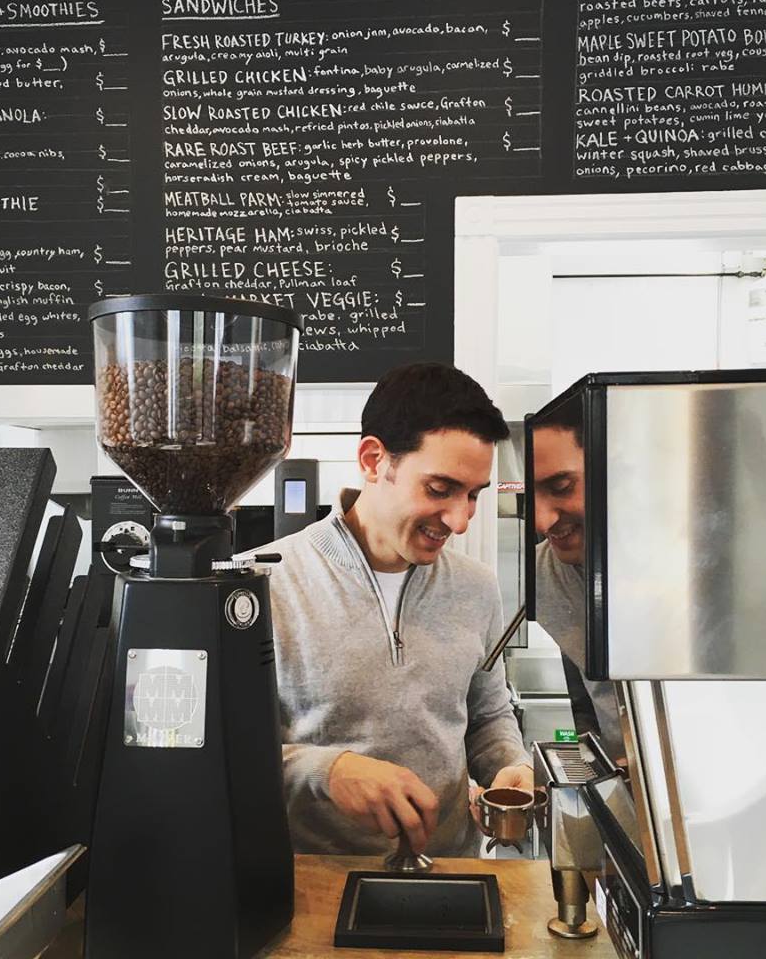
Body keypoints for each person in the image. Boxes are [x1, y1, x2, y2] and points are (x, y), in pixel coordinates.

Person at [263, 363, 532, 857]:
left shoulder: (477, 588)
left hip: (450, 873)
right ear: (373, 460)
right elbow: (218, 756)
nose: (459, 520)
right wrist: (327, 770)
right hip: (311, 888)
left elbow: (487, 713)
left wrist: (510, 765)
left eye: (472, 496)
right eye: (439, 489)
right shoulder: (267, 584)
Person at [530, 399, 623, 760]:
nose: (542, 522)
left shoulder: (691, 569)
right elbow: (582, 699)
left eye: (562, 486)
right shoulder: (545, 574)